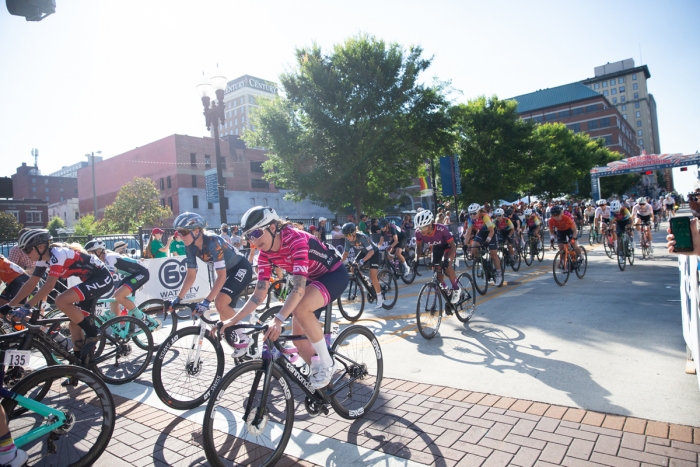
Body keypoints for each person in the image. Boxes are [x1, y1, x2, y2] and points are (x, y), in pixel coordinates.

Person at [219, 206, 348, 390]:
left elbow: (298, 289)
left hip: (333, 274)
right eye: (249, 236)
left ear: (272, 227)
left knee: (300, 308)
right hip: (311, 280)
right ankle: (324, 390)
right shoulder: (264, 254)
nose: (253, 240)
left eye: (256, 233)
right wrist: (233, 320)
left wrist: (279, 320)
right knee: (300, 342)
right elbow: (259, 294)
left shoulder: (295, 239)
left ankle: (327, 363)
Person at [4, 229, 112, 362]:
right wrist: (10, 305)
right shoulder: (43, 259)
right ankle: (80, 366)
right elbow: (30, 284)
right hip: (89, 280)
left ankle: (93, 332)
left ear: (41, 247)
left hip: (102, 278)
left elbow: (49, 286)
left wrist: (26, 306)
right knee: (74, 326)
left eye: (27, 250)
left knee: (61, 300)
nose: (25, 255)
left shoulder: (58, 254)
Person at [169, 212, 254, 357]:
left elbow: (221, 276)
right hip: (226, 272)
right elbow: (191, 275)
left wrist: (206, 301)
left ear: (196, 231)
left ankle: (246, 337)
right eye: (178, 232)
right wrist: (178, 298)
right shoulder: (190, 246)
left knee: (219, 302)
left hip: (240, 268)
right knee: (223, 317)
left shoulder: (212, 242)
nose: (181, 236)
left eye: (183, 232)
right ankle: (242, 347)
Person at [84, 239, 150, 318]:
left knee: (119, 296)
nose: (89, 257)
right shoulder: (102, 261)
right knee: (114, 301)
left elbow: (107, 278)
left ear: (98, 252)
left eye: (90, 254)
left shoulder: (109, 258)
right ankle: (116, 326)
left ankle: (142, 318)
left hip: (142, 272)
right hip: (132, 275)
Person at [413, 210, 461, 304]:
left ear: (431, 224)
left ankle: (456, 289)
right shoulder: (418, 232)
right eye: (419, 228)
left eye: (423, 227)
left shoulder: (441, 229)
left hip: (448, 246)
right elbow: (418, 248)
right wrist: (416, 259)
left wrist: (447, 260)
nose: (421, 230)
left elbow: (453, 246)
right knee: (437, 272)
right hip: (437, 248)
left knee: (446, 267)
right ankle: (447, 291)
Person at [341, 223, 383, 309]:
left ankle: (380, 298)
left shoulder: (362, 237)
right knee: (353, 268)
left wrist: (362, 261)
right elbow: (345, 253)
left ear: (354, 233)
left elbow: (371, 252)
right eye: (346, 235)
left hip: (374, 253)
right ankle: (366, 282)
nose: (348, 237)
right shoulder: (348, 240)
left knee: (373, 276)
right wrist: (338, 262)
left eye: (349, 235)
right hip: (364, 252)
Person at [464, 203, 502, 280]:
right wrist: (465, 244)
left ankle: (499, 273)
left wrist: (487, 241)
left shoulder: (484, 216)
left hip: (491, 232)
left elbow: (491, 231)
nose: (472, 215)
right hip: (482, 232)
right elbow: (468, 232)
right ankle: (483, 262)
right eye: (470, 213)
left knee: (493, 254)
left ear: (479, 211)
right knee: (474, 248)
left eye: (474, 213)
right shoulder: (471, 219)